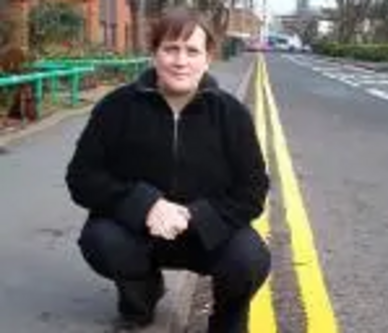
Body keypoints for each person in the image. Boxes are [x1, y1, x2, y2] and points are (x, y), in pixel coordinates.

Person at [65, 7, 270, 333]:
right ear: (154, 53)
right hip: (139, 231)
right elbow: (82, 177)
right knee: (102, 240)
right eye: (170, 48)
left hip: (208, 233)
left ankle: (227, 320)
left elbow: (253, 191)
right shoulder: (117, 107)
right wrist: (145, 205)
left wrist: (195, 216)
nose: (180, 61)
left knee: (249, 259)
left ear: (208, 58)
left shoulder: (231, 115)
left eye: (192, 51)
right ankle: (140, 301)